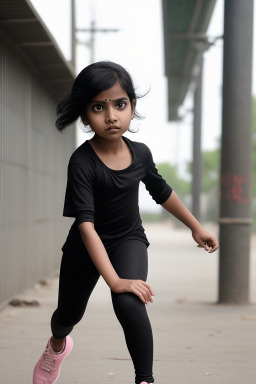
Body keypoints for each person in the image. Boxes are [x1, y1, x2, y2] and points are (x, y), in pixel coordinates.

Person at [33, 61, 219, 384]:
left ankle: (144, 379)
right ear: (85, 114)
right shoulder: (81, 163)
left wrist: (195, 226)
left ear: (132, 106)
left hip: (127, 240)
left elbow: (162, 192)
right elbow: (86, 226)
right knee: (67, 316)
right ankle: (57, 346)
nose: (111, 116)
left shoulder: (141, 155)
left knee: (129, 303)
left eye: (120, 104)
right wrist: (114, 279)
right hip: (84, 248)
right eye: (98, 107)